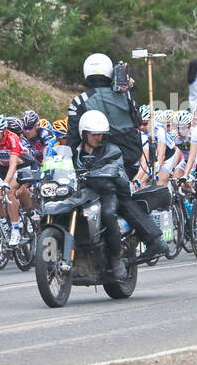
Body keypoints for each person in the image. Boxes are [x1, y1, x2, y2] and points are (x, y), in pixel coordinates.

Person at [66, 53, 166, 261]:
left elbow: (73, 139)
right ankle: (151, 239)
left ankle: (143, 244)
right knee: (122, 198)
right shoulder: (124, 94)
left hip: (102, 157)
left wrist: (73, 165)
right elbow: (137, 120)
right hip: (130, 155)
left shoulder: (80, 101)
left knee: (113, 199)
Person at [73, 110, 131, 280]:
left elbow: (120, 171)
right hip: (81, 192)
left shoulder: (111, 150)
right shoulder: (74, 151)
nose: (98, 138)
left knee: (107, 213)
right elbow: (57, 162)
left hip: (105, 192)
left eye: (100, 134)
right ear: (84, 133)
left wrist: (112, 172)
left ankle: (115, 259)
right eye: (93, 134)